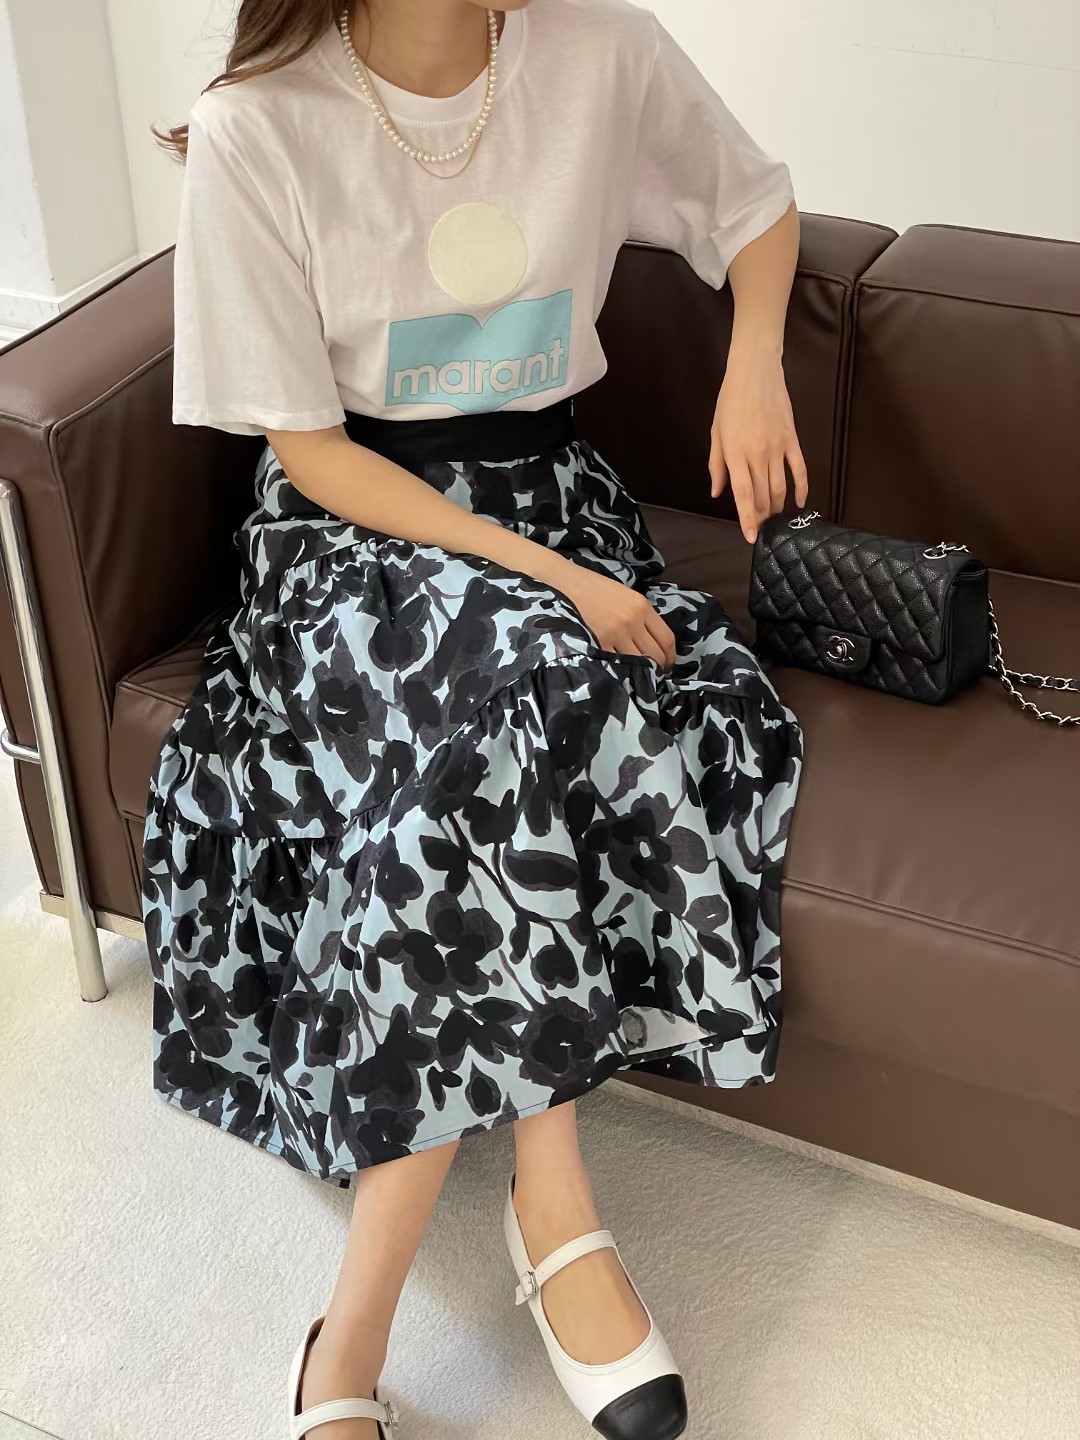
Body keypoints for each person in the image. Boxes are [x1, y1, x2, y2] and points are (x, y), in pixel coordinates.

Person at [146, 1, 806, 1435]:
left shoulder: (599, 50)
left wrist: (756, 360)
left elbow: (754, 205)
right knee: (529, 688)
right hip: (353, 543)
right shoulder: (259, 126)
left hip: (551, 498)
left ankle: (381, 1319)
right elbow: (312, 452)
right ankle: (529, 1232)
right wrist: (555, 583)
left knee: (529, 701)